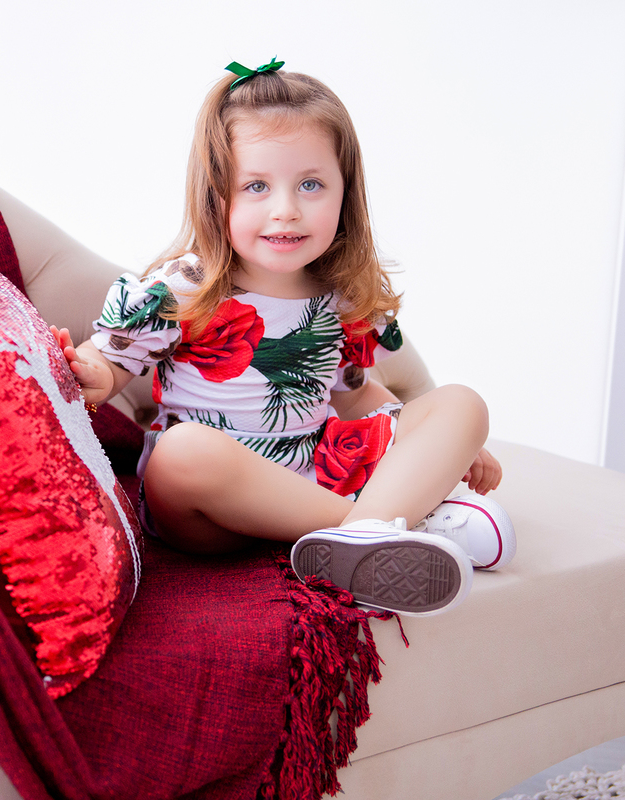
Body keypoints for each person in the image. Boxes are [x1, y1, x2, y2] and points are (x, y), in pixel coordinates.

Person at [51, 58, 514, 616]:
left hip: (313, 477)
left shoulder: (339, 296)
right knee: (182, 452)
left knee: (464, 406)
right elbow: (107, 365)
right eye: (256, 186)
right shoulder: (185, 288)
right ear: (215, 195)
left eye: (311, 184)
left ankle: (362, 538)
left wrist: (438, 448)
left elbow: (354, 393)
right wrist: (86, 372)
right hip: (210, 506)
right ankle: (390, 526)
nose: (286, 210)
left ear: (347, 195)